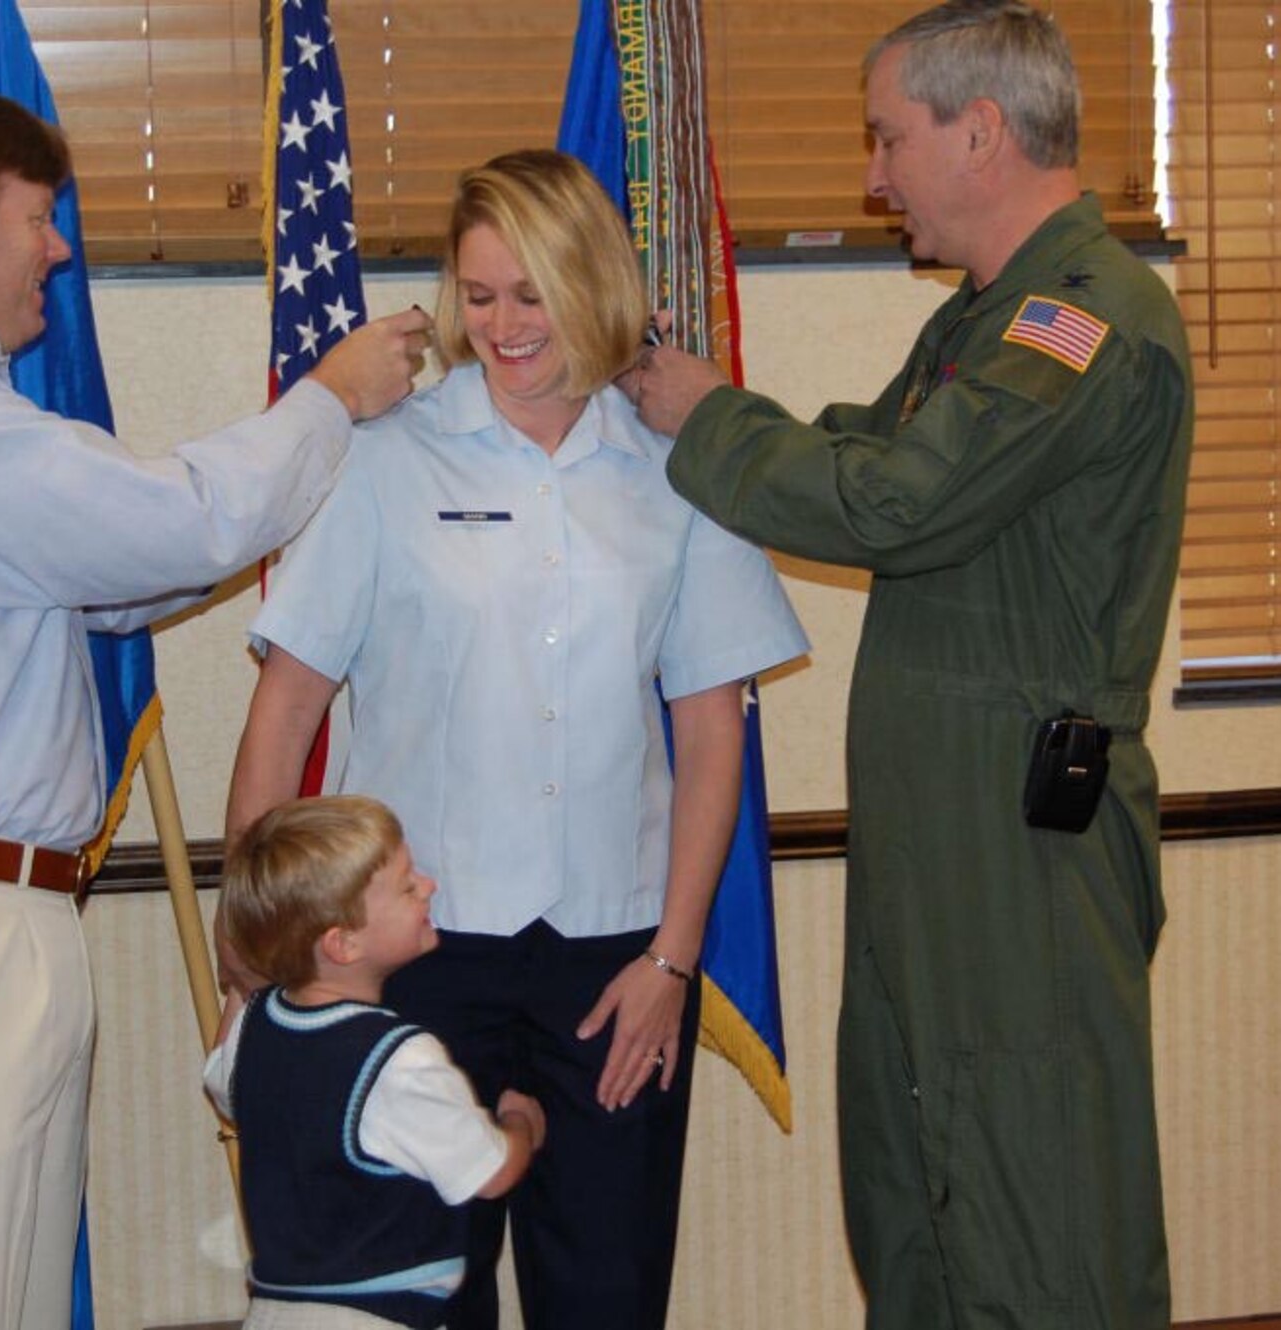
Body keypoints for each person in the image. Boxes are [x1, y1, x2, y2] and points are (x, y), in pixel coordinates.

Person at [0, 75, 431, 1330]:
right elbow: (176, 525)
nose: (55, 251)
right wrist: (330, 397)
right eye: (35, 217)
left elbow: (120, 582)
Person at [620, 3, 1192, 1327]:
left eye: (887, 138)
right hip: (943, 823)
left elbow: (893, 503)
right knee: (916, 1176)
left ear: (979, 132)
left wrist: (708, 420)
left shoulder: (1080, 323)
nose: (873, 177)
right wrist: (699, 412)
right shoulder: (983, 323)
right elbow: (861, 452)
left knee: (1035, 1199)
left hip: (1021, 837)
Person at [225, 148, 809, 1330]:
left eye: (530, 294)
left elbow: (709, 733)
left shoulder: (675, 466)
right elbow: (285, 706)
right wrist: (255, 931)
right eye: (479, 294)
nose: (501, 326)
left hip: (615, 960)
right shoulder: (386, 457)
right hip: (413, 953)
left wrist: (672, 961)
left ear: (591, 283)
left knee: (606, 1292)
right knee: (417, 1297)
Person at [206, 795, 547, 1330]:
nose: (429, 886)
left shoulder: (255, 1026)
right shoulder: (400, 1059)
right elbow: (491, 1173)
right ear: (342, 944)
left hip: (273, 1312)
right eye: (408, 886)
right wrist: (521, 1123)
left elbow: (225, 1087)